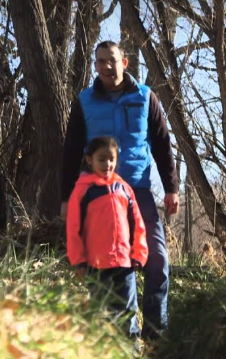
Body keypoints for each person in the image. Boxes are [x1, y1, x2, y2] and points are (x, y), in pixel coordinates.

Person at [61, 40, 179, 341]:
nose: (106, 67)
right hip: (98, 195)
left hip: (137, 191)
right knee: (104, 267)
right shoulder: (85, 100)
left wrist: (171, 188)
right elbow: (72, 150)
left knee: (157, 261)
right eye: (100, 62)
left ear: (124, 62)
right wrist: (65, 197)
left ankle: (155, 334)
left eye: (111, 60)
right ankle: (115, 336)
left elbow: (163, 142)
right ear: (95, 66)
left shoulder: (144, 96)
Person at [66, 136, 148, 338]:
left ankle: (131, 351)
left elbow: (137, 224)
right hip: (96, 266)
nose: (107, 164)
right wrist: (79, 262)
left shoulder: (124, 188)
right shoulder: (83, 190)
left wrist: (139, 254)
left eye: (111, 159)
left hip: (124, 264)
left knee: (128, 312)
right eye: (102, 159)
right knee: (101, 312)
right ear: (89, 160)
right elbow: (73, 228)